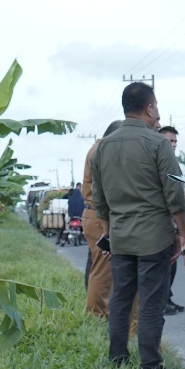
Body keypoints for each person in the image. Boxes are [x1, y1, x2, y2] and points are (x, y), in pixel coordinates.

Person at [92, 83, 185, 369]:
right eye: (155, 107)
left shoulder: (103, 146)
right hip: (154, 236)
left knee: (121, 298)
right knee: (151, 302)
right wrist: (182, 233)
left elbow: (100, 199)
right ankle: (151, 365)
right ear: (149, 108)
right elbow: (174, 193)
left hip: (120, 237)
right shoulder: (157, 143)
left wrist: (108, 234)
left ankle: (117, 358)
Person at [80, 122, 119, 317]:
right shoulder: (102, 150)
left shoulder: (97, 148)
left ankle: (99, 312)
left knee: (100, 269)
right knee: (103, 272)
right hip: (98, 216)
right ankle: (96, 315)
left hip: (94, 214)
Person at [158, 125, 185, 314]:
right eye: (170, 140)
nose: (174, 144)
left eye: (175, 141)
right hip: (164, 219)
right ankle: (162, 301)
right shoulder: (158, 161)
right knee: (163, 265)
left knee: (173, 263)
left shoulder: (181, 165)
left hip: (177, 218)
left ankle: (167, 297)